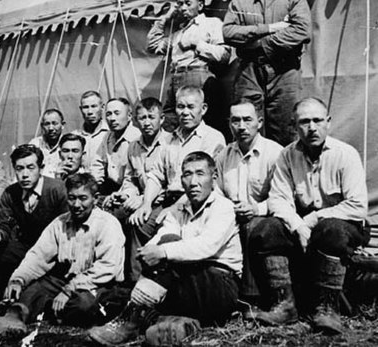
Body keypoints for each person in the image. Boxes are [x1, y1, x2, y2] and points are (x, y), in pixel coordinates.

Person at [88, 151, 242, 346]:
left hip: (219, 284)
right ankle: (160, 319)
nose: (193, 181)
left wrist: (162, 252)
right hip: (187, 279)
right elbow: (164, 233)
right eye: (187, 174)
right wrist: (150, 249)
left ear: (214, 177)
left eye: (200, 174)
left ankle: (132, 321)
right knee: (163, 247)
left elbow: (207, 246)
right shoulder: (181, 206)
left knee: (168, 254)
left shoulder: (223, 206)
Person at [249, 97, 368, 335]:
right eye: (304, 122)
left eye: (317, 120)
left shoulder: (346, 154)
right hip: (303, 226)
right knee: (266, 229)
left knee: (331, 229)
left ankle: (327, 308)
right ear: (294, 126)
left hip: (344, 227)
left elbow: (357, 206)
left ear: (329, 122)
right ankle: (285, 305)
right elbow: (278, 200)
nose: (312, 128)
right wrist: (298, 226)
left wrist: (312, 220)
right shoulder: (287, 155)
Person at [0, 172, 125, 334]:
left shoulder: (108, 224)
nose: (76, 204)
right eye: (72, 198)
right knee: (33, 289)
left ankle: (51, 310)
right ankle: (15, 317)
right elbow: (38, 255)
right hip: (65, 279)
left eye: (83, 198)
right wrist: (19, 279)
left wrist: (70, 289)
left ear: (95, 199)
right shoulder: (60, 222)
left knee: (84, 305)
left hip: (99, 284)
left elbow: (108, 267)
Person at [222, 0, 312, 146]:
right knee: (246, 125)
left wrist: (258, 42)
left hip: (285, 70)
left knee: (286, 129)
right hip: (248, 72)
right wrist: (270, 28)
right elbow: (228, 33)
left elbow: (302, 31)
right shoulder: (239, 3)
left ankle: (284, 175)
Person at [0, 144, 68, 306]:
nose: (25, 174)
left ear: (41, 168)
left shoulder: (57, 189)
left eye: (30, 168)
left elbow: (69, 228)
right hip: (26, 247)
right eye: (19, 168)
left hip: (55, 250)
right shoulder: (11, 193)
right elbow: (3, 223)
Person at [215, 99, 282, 310]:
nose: (241, 126)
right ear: (229, 124)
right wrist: (228, 208)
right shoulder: (224, 155)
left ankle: (250, 299)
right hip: (232, 215)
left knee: (252, 228)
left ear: (259, 122)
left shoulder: (275, 153)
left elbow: (284, 196)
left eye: (247, 120)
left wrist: (257, 209)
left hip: (266, 218)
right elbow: (216, 190)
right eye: (236, 120)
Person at [130, 86, 225, 228]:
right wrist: (146, 204)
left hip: (197, 202)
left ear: (203, 109)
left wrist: (175, 208)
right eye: (181, 107)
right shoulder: (169, 139)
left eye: (191, 107)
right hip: (169, 200)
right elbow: (156, 175)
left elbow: (207, 183)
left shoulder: (212, 138)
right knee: (138, 223)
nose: (185, 112)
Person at [147, 0, 231, 130]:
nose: (183, 8)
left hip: (198, 75)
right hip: (175, 77)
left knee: (202, 120)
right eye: (179, 4)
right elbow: (153, 45)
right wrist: (165, 18)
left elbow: (224, 55)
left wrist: (197, 44)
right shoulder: (177, 34)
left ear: (200, 4)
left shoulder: (212, 23)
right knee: (170, 120)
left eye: (187, 3)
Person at [105, 97, 170, 281]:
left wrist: (143, 200)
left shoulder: (169, 144)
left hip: (161, 201)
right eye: (142, 118)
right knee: (109, 215)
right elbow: (130, 179)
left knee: (139, 222)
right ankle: (112, 274)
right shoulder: (134, 146)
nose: (147, 122)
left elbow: (169, 184)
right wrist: (125, 194)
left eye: (152, 117)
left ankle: (137, 280)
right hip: (140, 198)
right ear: (135, 120)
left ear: (162, 119)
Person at [91, 97, 140, 196]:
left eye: (117, 113)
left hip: (131, 191)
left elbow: (132, 178)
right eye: (108, 114)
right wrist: (93, 187)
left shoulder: (136, 138)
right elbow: (97, 164)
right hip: (110, 187)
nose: (112, 119)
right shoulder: (108, 136)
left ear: (129, 116)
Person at [75, 91, 109, 170]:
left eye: (94, 106)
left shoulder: (110, 134)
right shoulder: (75, 136)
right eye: (86, 107)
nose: (90, 112)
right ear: (81, 109)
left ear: (102, 107)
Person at [29, 108, 65, 178]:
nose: (51, 128)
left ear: (62, 125)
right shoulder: (34, 144)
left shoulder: (68, 145)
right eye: (47, 124)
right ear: (42, 126)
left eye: (55, 123)